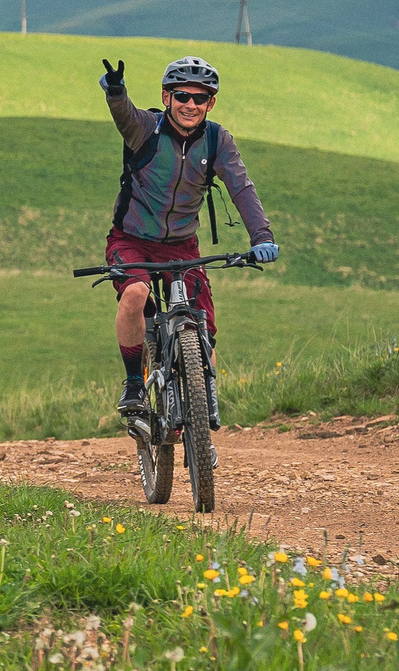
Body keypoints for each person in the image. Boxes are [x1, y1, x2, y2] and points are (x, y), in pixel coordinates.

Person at [100, 55, 280, 422]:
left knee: (203, 329)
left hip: (182, 247)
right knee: (136, 293)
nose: (191, 105)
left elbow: (241, 188)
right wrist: (117, 93)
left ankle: (202, 409)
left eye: (201, 98)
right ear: (166, 97)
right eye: (182, 96)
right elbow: (124, 115)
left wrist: (261, 237)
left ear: (210, 103)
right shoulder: (145, 129)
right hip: (132, 239)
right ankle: (134, 383)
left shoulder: (216, 140)